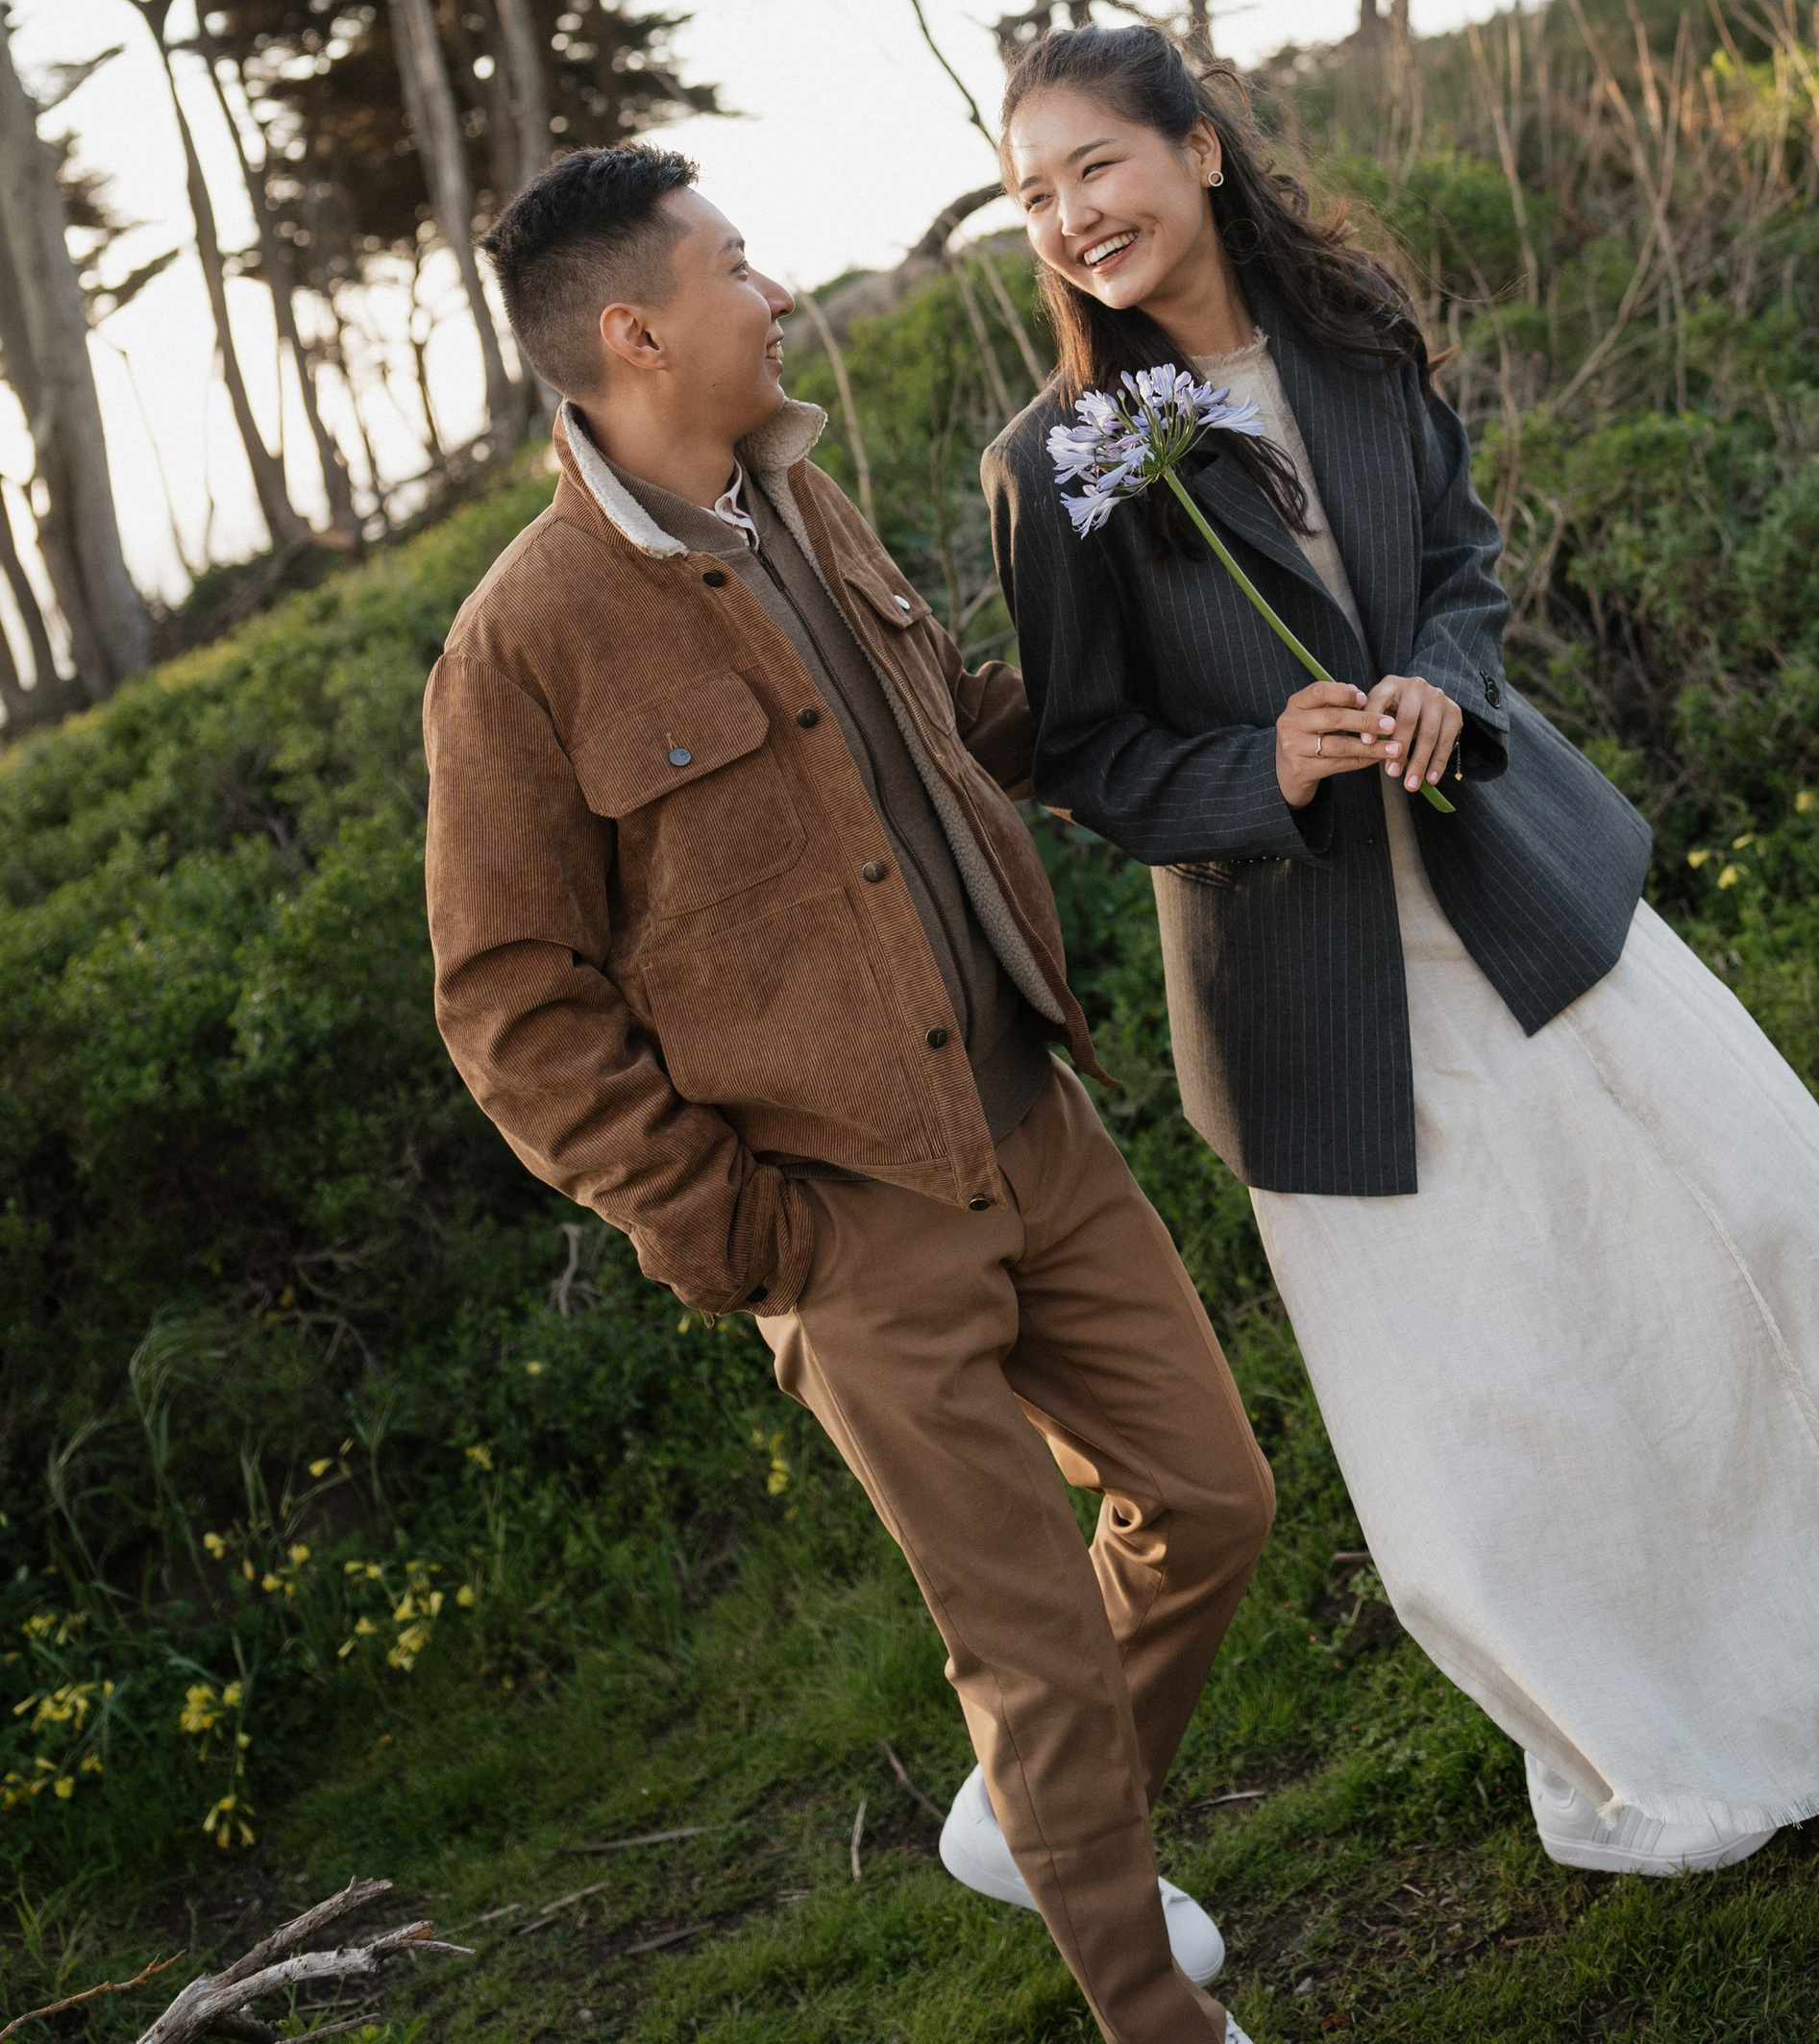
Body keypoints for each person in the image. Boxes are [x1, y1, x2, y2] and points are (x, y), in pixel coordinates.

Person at [984, 27, 1819, 1879]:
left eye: (1097, 166)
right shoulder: (1063, 465)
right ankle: (1665, 1756)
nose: (1072, 217)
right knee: (1503, 1404)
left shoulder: (1358, 342)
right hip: (1318, 988)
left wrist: (1438, 693)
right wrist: (1264, 760)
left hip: (1520, 891)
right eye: (1033, 195)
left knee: (1735, 1281)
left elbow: (1465, 569)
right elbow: (1085, 758)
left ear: (1199, 151)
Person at [422, 143, 1272, 2044]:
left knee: (1209, 1507)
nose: (774, 294)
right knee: (1036, 1648)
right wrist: (743, 1237)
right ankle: (1148, 2007)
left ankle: (1041, 1832)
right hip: (845, 1226)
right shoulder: (520, 645)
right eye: (736, 268)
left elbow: (959, 725)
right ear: (634, 331)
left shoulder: (801, 505)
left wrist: (1175, 662)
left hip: (1032, 1136)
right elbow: (510, 1005)